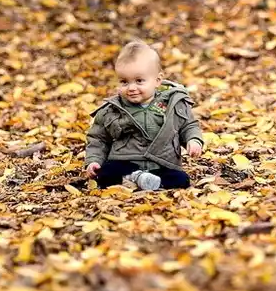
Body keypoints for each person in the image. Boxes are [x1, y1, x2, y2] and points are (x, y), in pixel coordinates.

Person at [82, 40, 205, 191]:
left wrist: (193, 141)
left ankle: (146, 182)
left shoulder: (173, 103)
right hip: (125, 162)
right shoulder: (112, 109)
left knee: (181, 180)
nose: (131, 88)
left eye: (139, 81)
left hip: (161, 163)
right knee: (106, 173)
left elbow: (188, 125)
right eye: (124, 82)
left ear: (157, 80)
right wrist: (94, 161)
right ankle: (136, 178)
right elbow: (98, 138)